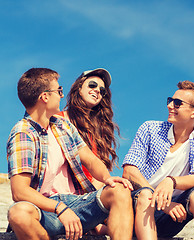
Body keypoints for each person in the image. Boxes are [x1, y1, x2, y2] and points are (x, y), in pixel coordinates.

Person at [7, 68, 133, 240]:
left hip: (75, 203)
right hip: (45, 209)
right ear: (45, 97)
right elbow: (19, 192)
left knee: (119, 189)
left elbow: (89, 159)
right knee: (18, 213)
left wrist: (107, 178)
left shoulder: (62, 125)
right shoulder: (23, 133)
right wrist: (60, 208)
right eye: (58, 90)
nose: (61, 95)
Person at [122, 80, 194, 240]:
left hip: (173, 215)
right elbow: (129, 171)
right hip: (138, 209)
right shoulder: (149, 129)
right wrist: (162, 201)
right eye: (170, 101)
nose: (169, 106)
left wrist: (171, 181)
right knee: (145, 195)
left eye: (177, 103)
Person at [59, 68, 119, 189]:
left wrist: (91, 196)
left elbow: (102, 166)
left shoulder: (102, 129)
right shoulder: (58, 119)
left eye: (102, 90)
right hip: (62, 191)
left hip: (89, 193)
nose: (97, 90)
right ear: (79, 88)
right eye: (92, 85)